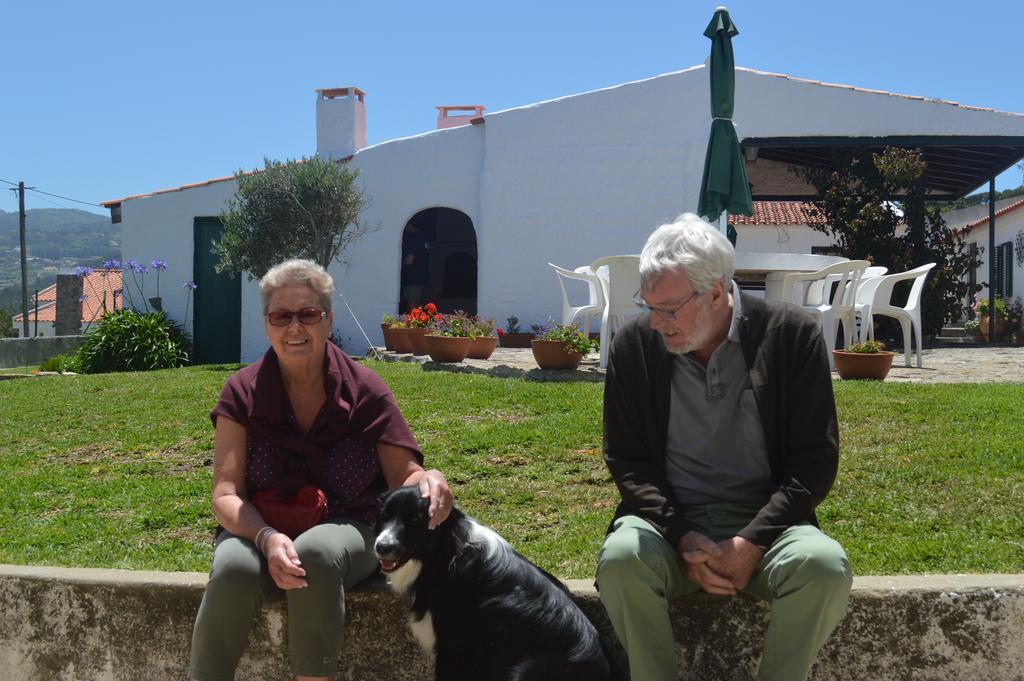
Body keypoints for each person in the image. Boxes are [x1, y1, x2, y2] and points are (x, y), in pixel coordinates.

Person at [595, 214, 852, 681]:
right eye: (647, 305)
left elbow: (815, 460)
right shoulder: (634, 344)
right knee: (621, 561)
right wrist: (682, 536)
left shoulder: (791, 335)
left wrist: (751, 543)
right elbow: (627, 460)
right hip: (667, 524)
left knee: (823, 566)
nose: (655, 322)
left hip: (768, 524)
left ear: (716, 292)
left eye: (669, 310)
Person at [189, 258, 452, 681]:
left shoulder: (365, 388)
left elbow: (405, 475)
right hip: (262, 525)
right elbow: (225, 495)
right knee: (234, 567)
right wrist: (267, 538)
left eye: (309, 314)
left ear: (328, 321)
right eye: (282, 316)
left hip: (350, 525)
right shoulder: (241, 391)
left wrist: (431, 480)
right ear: (267, 324)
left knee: (315, 552)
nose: (295, 327)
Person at [400, 220, 430, 313]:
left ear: (410, 224)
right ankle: (420, 324)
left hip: (412, 277)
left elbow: (409, 260)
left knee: (412, 301)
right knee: (418, 301)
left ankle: (414, 324)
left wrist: (396, 265)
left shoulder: (412, 239)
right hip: (422, 275)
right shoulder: (423, 237)